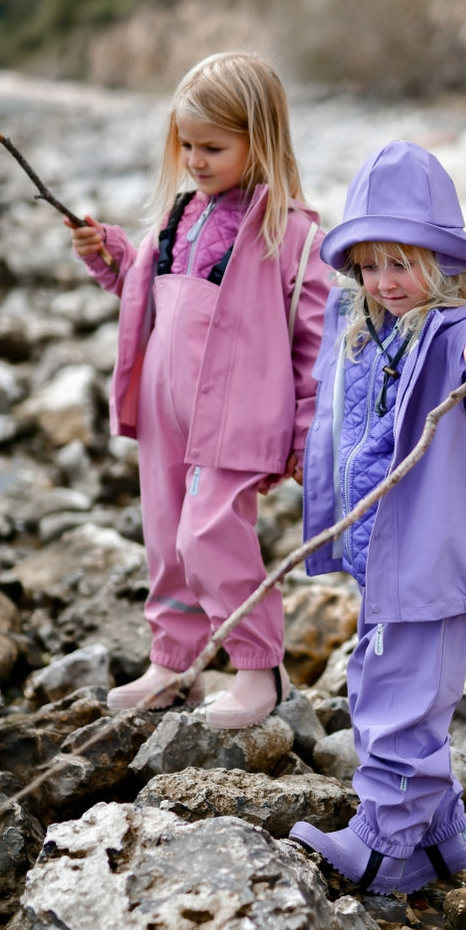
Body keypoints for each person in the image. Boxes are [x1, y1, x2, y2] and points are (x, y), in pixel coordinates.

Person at [289, 141, 466, 893]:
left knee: (399, 700)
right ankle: (440, 837)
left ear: (441, 262)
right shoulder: (362, 330)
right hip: (383, 555)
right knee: (379, 681)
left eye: (400, 264)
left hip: (438, 560)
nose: (384, 282)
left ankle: (387, 845)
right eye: (369, 266)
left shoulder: (460, 333)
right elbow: (338, 420)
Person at [66, 51, 327, 728]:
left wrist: (305, 432)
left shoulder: (290, 231)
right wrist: (110, 255)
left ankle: (258, 667)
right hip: (165, 409)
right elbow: (146, 291)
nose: (195, 160)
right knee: (165, 537)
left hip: (236, 416)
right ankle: (173, 663)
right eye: (187, 146)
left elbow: (316, 339)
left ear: (259, 140)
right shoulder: (180, 216)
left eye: (213, 148)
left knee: (209, 534)